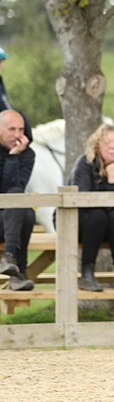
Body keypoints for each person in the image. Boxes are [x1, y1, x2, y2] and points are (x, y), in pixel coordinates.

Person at [71, 122, 114, 292]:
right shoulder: (85, 164)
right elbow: (84, 200)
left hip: (108, 223)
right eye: (107, 142)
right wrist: (112, 182)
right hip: (76, 220)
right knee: (99, 214)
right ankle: (87, 273)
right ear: (97, 145)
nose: (112, 146)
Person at [0, 109, 36, 291]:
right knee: (24, 210)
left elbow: (14, 188)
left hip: (10, 220)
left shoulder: (27, 154)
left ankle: (9, 259)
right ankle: (19, 272)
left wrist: (14, 156)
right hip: (6, 218)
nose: (17, 135)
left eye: (21, 130)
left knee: (25, 210)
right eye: (11, 129)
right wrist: (13, 156)